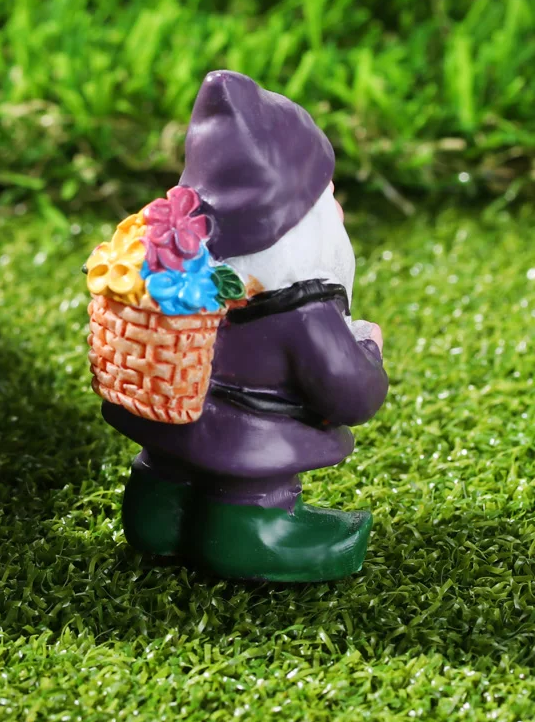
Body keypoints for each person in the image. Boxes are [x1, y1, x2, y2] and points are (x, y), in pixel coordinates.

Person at [104, 71, 389, 582]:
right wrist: (368, 348)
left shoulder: (180, 270)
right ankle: (252, 529)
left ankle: (156, 513)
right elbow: (349, 392)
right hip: (250, 434)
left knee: (166, 464)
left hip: (169, 415)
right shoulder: (303, 306)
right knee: (247, 481)